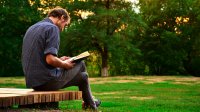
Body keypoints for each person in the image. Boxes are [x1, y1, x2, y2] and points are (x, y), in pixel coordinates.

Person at [22, 7, 100, 110]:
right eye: (65, 24)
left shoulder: (32, 28)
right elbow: (50, 60)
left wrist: (60, 60)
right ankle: (89, 103)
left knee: (83, 76)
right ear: (62, 17)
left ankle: (90, 105)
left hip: (33, 82)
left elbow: (43, 57)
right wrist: (65, 64)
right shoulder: (53, 28)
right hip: (46, 81)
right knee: (81, 63)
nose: (63, 28)